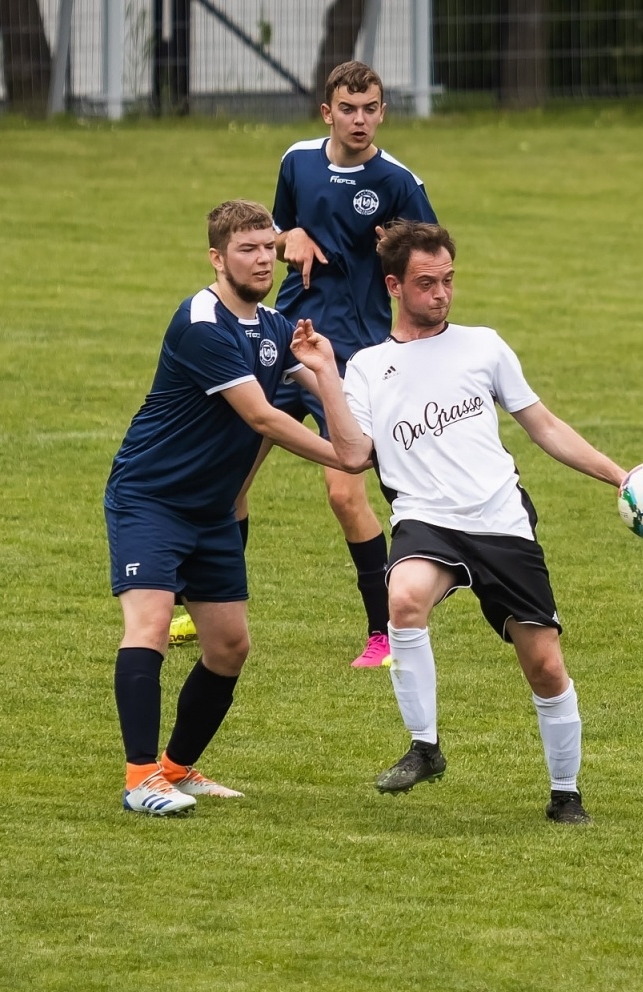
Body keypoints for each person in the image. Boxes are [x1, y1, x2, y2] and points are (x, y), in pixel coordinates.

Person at [291, 221, 627, 825]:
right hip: (425, 518)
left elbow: (543, 426)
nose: (441, 293)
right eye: (426, 283)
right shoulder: (366, 366)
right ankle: (425, 747)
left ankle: (565, 793)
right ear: (394, 286)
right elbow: (352, 455)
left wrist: (620, 477)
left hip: (500, 518)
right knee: (403, 598)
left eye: (448, 280)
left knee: (546, 666)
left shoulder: (484, 346)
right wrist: (325, 376)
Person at [105, 199, 363, 816]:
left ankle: (175, 769)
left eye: (268, 248)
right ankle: (140, 779)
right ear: (217, 258)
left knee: (228, 647)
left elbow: (334, 384)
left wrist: (329, 374)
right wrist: (343, 457)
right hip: (152, 499)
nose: (261, 259)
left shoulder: (274, 326)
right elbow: (262, 416)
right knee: (149, 627)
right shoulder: (201, 324)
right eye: (246, 250)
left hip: (212, 510)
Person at [180, 60, 439, 669]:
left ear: (382, 111)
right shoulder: (296, 160)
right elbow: (272, 230)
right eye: (347, 109)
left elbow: (429, 264)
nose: (359, 119)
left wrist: (391, 261)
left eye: (370, 108)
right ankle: (211, 609)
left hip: (350, 356)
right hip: (281, 341)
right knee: (229, 481)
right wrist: (285, 234)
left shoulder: (399, 181)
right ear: (328, 112)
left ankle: (384, 633)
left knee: (343, 493)